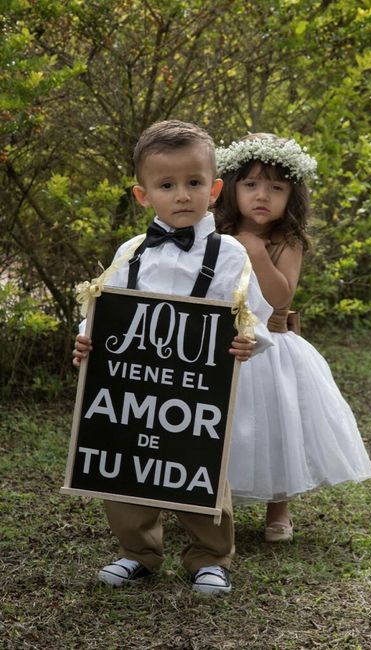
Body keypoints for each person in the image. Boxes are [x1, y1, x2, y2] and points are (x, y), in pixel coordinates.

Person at [72, 120, 274, 594]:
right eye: (167, 185)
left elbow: (256, 316)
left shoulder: (229, 254)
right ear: (143, 195)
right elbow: (105, 309)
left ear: (215, 189)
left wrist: (249, 341)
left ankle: (210, 556)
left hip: (196, 392)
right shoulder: (132, 252)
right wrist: (85, 338)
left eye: (194, 183)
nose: (182, 195)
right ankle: (137, 552)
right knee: (124, 469)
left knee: (199, 468)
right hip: (132, 391)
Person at [214, 133, 371, 542]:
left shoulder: (287, 241)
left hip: (273, 349)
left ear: (292, 195)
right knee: (224, 426)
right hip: (224, 344)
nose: (261, 195)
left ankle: (278, 511)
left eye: (276, 187)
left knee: (277, 427)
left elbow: (281, 295)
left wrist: (256, 252)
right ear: (231, 188)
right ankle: (212, 500)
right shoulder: (215, 232)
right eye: (250, 184)